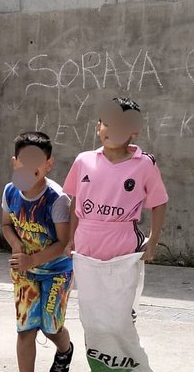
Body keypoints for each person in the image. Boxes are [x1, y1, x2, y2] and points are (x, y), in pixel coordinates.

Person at [0, 131, 74, 372]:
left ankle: (65, 350)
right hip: (25, 273)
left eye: (36, 160)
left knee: (51, 326)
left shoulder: (57, 199)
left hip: (56, 272)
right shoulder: (10, 192)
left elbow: (63, 244)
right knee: (26, 327)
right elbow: (6, 224)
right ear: (15, 161)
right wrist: (16, 245)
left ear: (48, 164)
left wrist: (32, 260)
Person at [61, 97, 167, 262]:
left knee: (123, 280)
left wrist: (153, 241)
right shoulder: (83, 161)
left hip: (124, 249)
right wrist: (71, 238)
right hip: (85, 245)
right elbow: (77, 200)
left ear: (134, 131)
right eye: (108, 124)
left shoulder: (145, 164)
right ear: (98, 127)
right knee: (87, 281)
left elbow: (159, 202)